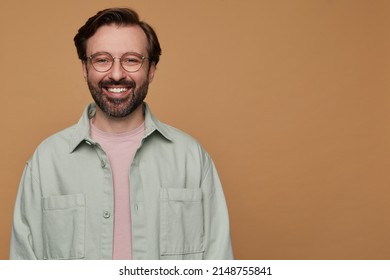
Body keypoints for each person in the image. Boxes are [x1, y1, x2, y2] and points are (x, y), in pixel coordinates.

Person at [9, 7, 233, 260]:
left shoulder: (192, 158)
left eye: (131, 59)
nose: (116, 74)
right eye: (102, 60)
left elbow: (219, 261)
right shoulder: (46, 162)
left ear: (151, 70)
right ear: (85, 68)